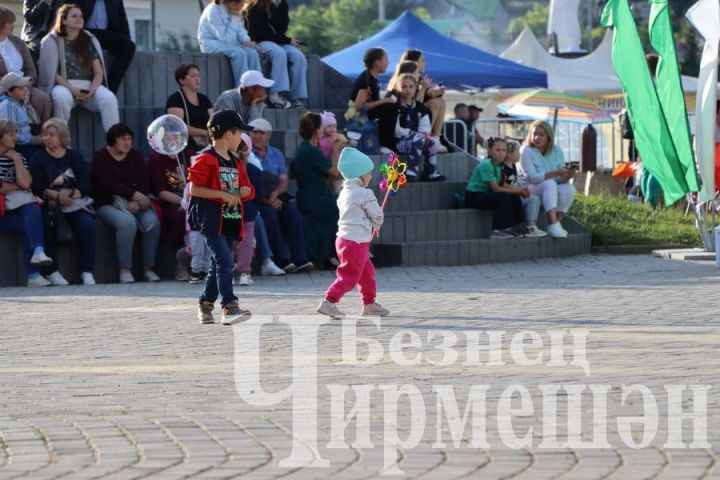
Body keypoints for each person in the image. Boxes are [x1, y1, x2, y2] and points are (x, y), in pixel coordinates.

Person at [187, 109, 254, 325]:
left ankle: (205, 305)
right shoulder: (205, 159)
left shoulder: (235, 162)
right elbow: (195, 189)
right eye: (240, 133)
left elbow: (248, 188)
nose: (242, 138)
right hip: (212, 221)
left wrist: (244, 190)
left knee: (218, 263)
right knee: (225, 262)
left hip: (231, 220)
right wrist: (222, 195)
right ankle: (229, 306)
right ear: (229, 134)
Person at [316, 147, 388, 319]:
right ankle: (329, 301)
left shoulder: (344, 192)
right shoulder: (365, 193)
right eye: (369, 173)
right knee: (349, 275)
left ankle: (369, 303)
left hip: (344, 239)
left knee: (366, 272)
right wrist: (378, 222)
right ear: (361, 176)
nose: (370, 176)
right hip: (355, 242)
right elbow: (376, 214)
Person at [29, 117, 96, 285]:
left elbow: (86, 181)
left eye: (51, 134)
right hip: (50, 203)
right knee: (47, 224)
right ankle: (52, 271)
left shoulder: (74, 156)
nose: (47, 138)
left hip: (73, 202)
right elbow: (35, 185)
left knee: (87, 225)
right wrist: (55, 196)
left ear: (62, 137)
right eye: (44, 134)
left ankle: (86, 271)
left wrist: (73, 193)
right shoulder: (38, 157)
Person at [91, 123, 161, 283]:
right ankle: (125, 270)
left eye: (129, 139)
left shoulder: (135, 155)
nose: (127, 143)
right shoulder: (100, 157)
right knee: (127, 223)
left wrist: (137, 199)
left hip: (136, 203)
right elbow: (106, 184)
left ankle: (149, 268)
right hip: (107, 203)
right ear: (113, 141)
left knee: (152, 222)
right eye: (123, 139)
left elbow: (145, 180)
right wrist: (134, 194)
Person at [37, 4, 120, 132]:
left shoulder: (88, 39)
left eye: (80, 16)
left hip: (88, 88)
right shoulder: (52, 40)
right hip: (65, 86)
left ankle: (114, 141)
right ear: (63, 20)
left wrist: (92, 90)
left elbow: (99, 72)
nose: (79, 19)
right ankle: (62, 143)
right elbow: (51, 72)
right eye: (74, 16)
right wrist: (73, 90)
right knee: (60, 98)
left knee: (109, 99)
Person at [249, 117, 313, 272]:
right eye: (254, 132)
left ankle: (300, 259)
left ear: (269, 135)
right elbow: (249, 183)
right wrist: (269, 200)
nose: (257, 136)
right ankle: (282, 260)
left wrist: (275, 195)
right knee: (269, 216)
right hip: (257, 197)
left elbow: (283, 180)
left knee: (293, 214)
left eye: (261, 133)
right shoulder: (247, 153)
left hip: (276, 195)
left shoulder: (276, 154)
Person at [0, 119, 54, 287]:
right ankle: (34, 273)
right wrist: (15, 187)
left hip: (15, 205)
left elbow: (26, 184)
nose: (15, 137)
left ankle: (37, 255)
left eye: (16, 133)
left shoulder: (19, 156)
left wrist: (16, 161)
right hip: (1, 211)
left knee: (31, 209)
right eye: (11, 134)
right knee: (28, 222)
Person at [290, 112, 340, 265]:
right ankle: (334, 253)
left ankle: (331, 254)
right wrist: (336, 149)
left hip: (310, 195)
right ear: (316, 131)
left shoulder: (305, 149)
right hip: (314, 198)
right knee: (341, 208)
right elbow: (335, 172)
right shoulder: (310, 151)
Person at [243, 0, 307, 109]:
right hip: (260, 41)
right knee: (279, 53)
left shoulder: (282, 4)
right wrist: (287, 40)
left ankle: (298, 97)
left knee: (298, 56)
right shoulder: (256, 5)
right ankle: (275, 95)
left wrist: (280, 7)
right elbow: (259, 33)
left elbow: (282, 29)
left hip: (278, 41)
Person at [517, 120, 576, 238]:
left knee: (569, 189)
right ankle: (552, 223)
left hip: (548, 189)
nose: (537, 137)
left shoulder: (557, 151)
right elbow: (533, 178)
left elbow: (558, 180)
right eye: (534, 134)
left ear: (549, 137)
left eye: (541, 135)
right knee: (549, 183)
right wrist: (556, 172)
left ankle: (557, 223)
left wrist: (566, 176)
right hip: (527, 189)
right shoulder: (526, 150)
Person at [465, 137, 530, 239]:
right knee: (503, 197)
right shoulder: (486, 164)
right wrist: (516, 190)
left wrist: (519, 191)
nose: (501, 153)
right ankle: (498, 230)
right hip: (474, 196)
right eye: (497, 150)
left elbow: (503, 184)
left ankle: (518, 227)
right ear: (490, 151)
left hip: (486, 194)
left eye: (504, 150)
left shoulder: (500, 166)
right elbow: (496, 188)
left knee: (514, 196)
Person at [1, 6, 53, 125]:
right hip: (4, 89)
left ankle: (42, 137)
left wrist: (27, 86)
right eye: (9, 22)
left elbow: (31, 70)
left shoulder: (18, 42)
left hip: (25, 84)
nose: (13, 26)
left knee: (43, 99)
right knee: (8, 104)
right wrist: (11, 89)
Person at [198, 0, 262, 89]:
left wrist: (247, 41)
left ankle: (257, 86)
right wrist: (234, 18)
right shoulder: (213, 11)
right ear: (233, 2)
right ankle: (243, 88)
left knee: (252, 53)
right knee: (239, 53)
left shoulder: (233, 10)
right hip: (211, 43)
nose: (244, 5)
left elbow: (240, 29)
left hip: (229, 42)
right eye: (242, 2)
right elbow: (225, 39)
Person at [75, 0, 135, 93]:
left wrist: (127, 39)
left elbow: (122, 19)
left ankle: (110, 91)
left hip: (105, 33)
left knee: (129, 47)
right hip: (83, 32)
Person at [394, 74, 445, 182]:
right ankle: (410, 172)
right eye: (404, 86)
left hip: (418, 140)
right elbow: (396, 131)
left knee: (432, 141)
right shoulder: (395, 105)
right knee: (418, 138)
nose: (407, 89)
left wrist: (423, 134)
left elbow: (425, 128)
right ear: (399, 88)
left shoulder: (419, 106)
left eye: (411, 87)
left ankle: (430, 172)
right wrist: (414, 134)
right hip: (400, 142)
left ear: (416, 88)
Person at [351, 47, 397, 153]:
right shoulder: (366, 79)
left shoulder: (374, 79)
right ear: (377, 62)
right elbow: (359, 106)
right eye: (385, 59)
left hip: (369, 114)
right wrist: (384, 101)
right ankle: (384, 144)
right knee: (390, 108)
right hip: (360, 118)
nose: (388, 62)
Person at [399, 49, 447, 143]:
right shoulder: (405, 79)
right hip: (407, 117)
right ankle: (426, 137)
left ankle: (435, 138)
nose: (424, 63)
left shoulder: (419, 77)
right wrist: (424, 88)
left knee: (440, 101)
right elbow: (414, 105)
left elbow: (427, 94)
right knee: (435, 103)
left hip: (417, 113)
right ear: (414, 62)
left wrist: (436, 92)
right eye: (422, 60)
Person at [232, 133, 261, 286]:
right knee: (246, 242)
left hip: (229, 209)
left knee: (228, 241)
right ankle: (244, 273)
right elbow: (259, 194)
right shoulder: (254, 170)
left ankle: (228, 271)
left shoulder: (226, 170)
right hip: (248, 211)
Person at [503, 139, 546, 237]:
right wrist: (519, 191)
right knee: (533, 200)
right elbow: (503, 184)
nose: (520, 154)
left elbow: (514, 183)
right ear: (509, 154)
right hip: (509, 198)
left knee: (534, 199)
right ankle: (530, 228)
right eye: (517, 152)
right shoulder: (503, 167)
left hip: (515, 195)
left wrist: (521, 190)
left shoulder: (513, 166)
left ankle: (531, 227)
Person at [165, 64, 213, 151]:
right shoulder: (175, 99)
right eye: (193, 76)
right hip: (185, 146)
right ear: (182, 80)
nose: (197, 79)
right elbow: (178, 127)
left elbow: (213, 120)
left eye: (198, 76)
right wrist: (205, 133)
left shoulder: (204, 99)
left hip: (207, 143)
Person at [0, 72, 43, 160]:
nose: (25, 90)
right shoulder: (8, 105)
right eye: (20, 88)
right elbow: (9, 135)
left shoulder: (20, 101)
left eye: (25, 87)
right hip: (16, 145)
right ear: (9, 92)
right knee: (39, 159)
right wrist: (33, 140)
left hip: (26, 142)